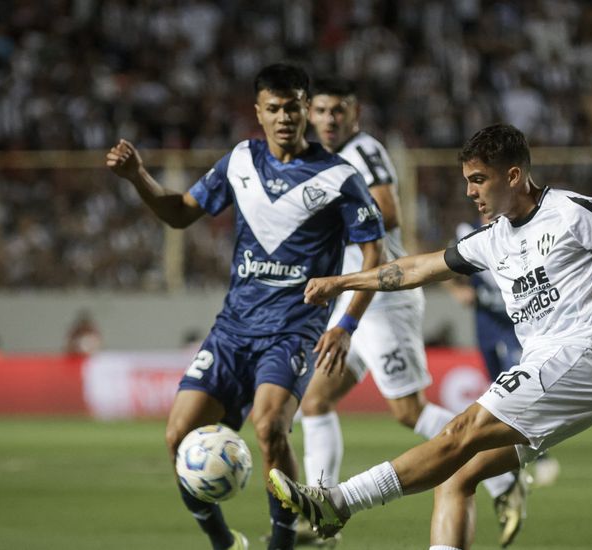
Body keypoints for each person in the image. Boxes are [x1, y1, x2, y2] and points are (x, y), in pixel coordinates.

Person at [268, 123, 592, 550]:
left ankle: (338, 501)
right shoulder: (493, 238)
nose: (470, 192)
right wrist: (344, 282)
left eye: (479, 179)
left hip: (582, 353)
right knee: (457, 475)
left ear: (514, 176)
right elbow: (415, 269)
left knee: (459, 431)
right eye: (468, 181)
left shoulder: (572, 211)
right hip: (546, 362)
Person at [106, 63, 386, 550]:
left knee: (270, 429)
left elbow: (374, 257)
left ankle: (281, 545)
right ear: (258, 112)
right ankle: (224, 543)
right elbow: (179, 214)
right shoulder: (239, 161)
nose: (284, 117)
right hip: (232, 330)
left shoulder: (339, 177)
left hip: (293, 331)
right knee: (178, 437)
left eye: (293, 108)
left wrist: (344, 324)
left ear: (306, 111)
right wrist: (138, 178)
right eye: (273, 108)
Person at [300, 77, 523, 547]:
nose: (329, 119)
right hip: (357, 297)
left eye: (337, 110)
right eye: (320, 110)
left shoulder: (363, 151)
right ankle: (318, 512)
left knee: (408, 411)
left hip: (382, 302)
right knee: (315, 400)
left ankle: (502, 474)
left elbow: (388, 214)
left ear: (353, 113)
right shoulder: (321, 157)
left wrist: (345, 314)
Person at [447, 215, 561, 490]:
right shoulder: (468, 231)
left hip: (515, 326)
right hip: (485, 324)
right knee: (497, 387)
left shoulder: (520, 229)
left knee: (517, 393)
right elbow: (445, 268)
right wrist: (457, 290)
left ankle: (539, 456)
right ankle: (512, 459)